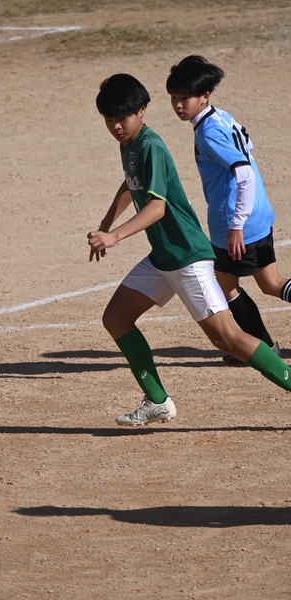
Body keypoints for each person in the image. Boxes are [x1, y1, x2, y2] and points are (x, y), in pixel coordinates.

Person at [87, 73, 291, 426]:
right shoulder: (131, 145)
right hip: (164, 256)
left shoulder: (151, 145)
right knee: (116, 318)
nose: (116, 126)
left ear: (142, 111)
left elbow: (157, 208)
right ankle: (157, 401)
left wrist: (115, 236)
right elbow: (131, 182)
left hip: (186, 258)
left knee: (228, 338)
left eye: (122, 118)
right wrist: (105, 222)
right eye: (109, 120)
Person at [166, 55, 288, 365]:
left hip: (238, 223)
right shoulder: (222, 117)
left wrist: (236, 225)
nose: (178, 105)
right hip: (260, 214)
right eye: (175, 97)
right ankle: (264, 346)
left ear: (204, 96)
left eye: (185, 98)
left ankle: (261, 348)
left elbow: (243, 172)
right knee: (271, 284)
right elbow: (248, 150)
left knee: (224, 282)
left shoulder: (208, 132)